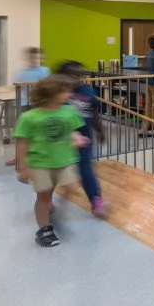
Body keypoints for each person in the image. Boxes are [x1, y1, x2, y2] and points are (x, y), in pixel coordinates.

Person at [13, 75, 90, 247]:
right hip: (40, 163)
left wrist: (77, 138)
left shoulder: (69, 111)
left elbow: (72, 131)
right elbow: (23, 143)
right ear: (51, 93)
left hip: (65, 160)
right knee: (43, 196)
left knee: (71, 187)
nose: (69, 94)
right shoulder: (29, 117)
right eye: (65, 91)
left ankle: (52, 205)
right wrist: (24, 168)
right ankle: (44, 229)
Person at [54, 61, 108, 218]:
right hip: (60, 138)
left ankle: (96, 199)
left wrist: (100, 130)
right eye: (70, 75)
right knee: (54, 169)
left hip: (84, 138)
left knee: (85, 167)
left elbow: (93, 112)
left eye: (78, 76)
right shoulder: (55, 92)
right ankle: (47, 199)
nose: (75, 79)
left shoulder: (87, 91)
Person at [7, 48, 52, 167]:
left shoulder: (44, 71)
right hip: (24, 104)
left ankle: (41, 156)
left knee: (40, 132)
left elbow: (46, 86)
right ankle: (19, 157)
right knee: (22, 132)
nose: (34, 60)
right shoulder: (22, 72)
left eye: (36, 57)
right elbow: (16, 85)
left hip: (39, 104)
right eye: (31, 57)